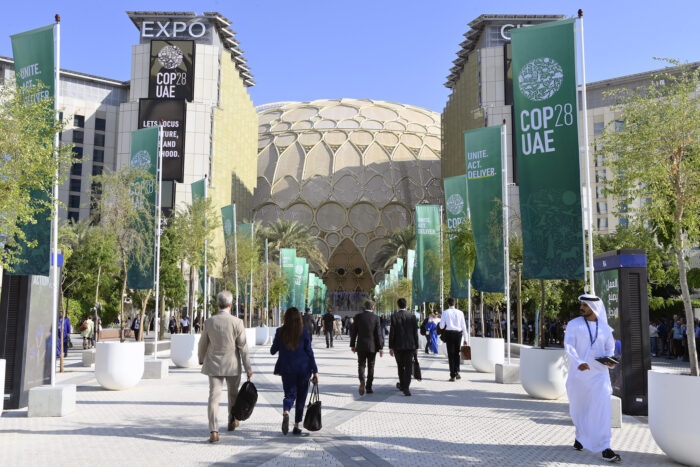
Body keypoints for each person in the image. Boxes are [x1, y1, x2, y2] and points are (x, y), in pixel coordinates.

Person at [564, 294, 621, 463]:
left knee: (602, 408)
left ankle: (605, 447)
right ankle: (580, 437)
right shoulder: (574, 325)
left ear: (594, 308)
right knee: (579, 409)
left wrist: (610, 361)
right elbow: (569, 346)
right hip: (579, 375)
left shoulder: (605, 329)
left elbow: (610, 348)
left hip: (600, 375)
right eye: (581, 304)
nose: (582, 307)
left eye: (585, 305)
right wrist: (579, 362)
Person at [198, 291, 253, 444]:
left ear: (217, 304)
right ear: (230, 305)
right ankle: (231, 420)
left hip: (214, 364)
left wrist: (201, 359)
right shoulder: (237, 322)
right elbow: (243, 347)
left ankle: (214, 431)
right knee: (233, 395)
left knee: (214, 397)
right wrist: (248, 367)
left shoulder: (210, 322)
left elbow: (203, 343)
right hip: (232, 365)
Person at [271, 307, 319, 436]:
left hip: (287, 369)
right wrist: (315, 370)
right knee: (301, 397)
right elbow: (309, 352)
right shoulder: (304, 332)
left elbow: (272, 350)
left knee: (289, 395)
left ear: (285, 318)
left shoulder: (280, 332)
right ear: (299, 319)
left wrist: (279, 343)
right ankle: (296, 426)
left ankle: (286, 411)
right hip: (304, 369)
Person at [350, 300, 384, 395]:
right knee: (371, 366)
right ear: (373, 307)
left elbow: (354, 332)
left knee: (361, 364)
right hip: (372, 347)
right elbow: (378, 334)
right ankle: (369, 387)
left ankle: (362, 381)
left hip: (360, 345)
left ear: (365, 307)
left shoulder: (358, 317)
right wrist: (381, 348)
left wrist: (352, 345)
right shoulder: (376, 318)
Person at [389, 298, 419, 396]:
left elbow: (392, 333)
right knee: (408, 367)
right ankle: (406, 387)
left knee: (400, 366)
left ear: (398, 305)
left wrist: (391, 347)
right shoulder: (412, 316)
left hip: (398, 346)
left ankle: (402, 384)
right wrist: (416, 347)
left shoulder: (394, 316)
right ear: (406, 305)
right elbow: (415, 333)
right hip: (410, 346)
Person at [438, 298, 470, 381]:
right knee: (457, 353)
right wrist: (466, 338)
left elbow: (441, 326)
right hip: (458, 334)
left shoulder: (445, 312)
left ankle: (452, 375)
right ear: (455, 303)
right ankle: (457, 371)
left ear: (448, 304)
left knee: (451, 354)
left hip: (449, 333)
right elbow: (464, 326)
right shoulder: (460, 312)